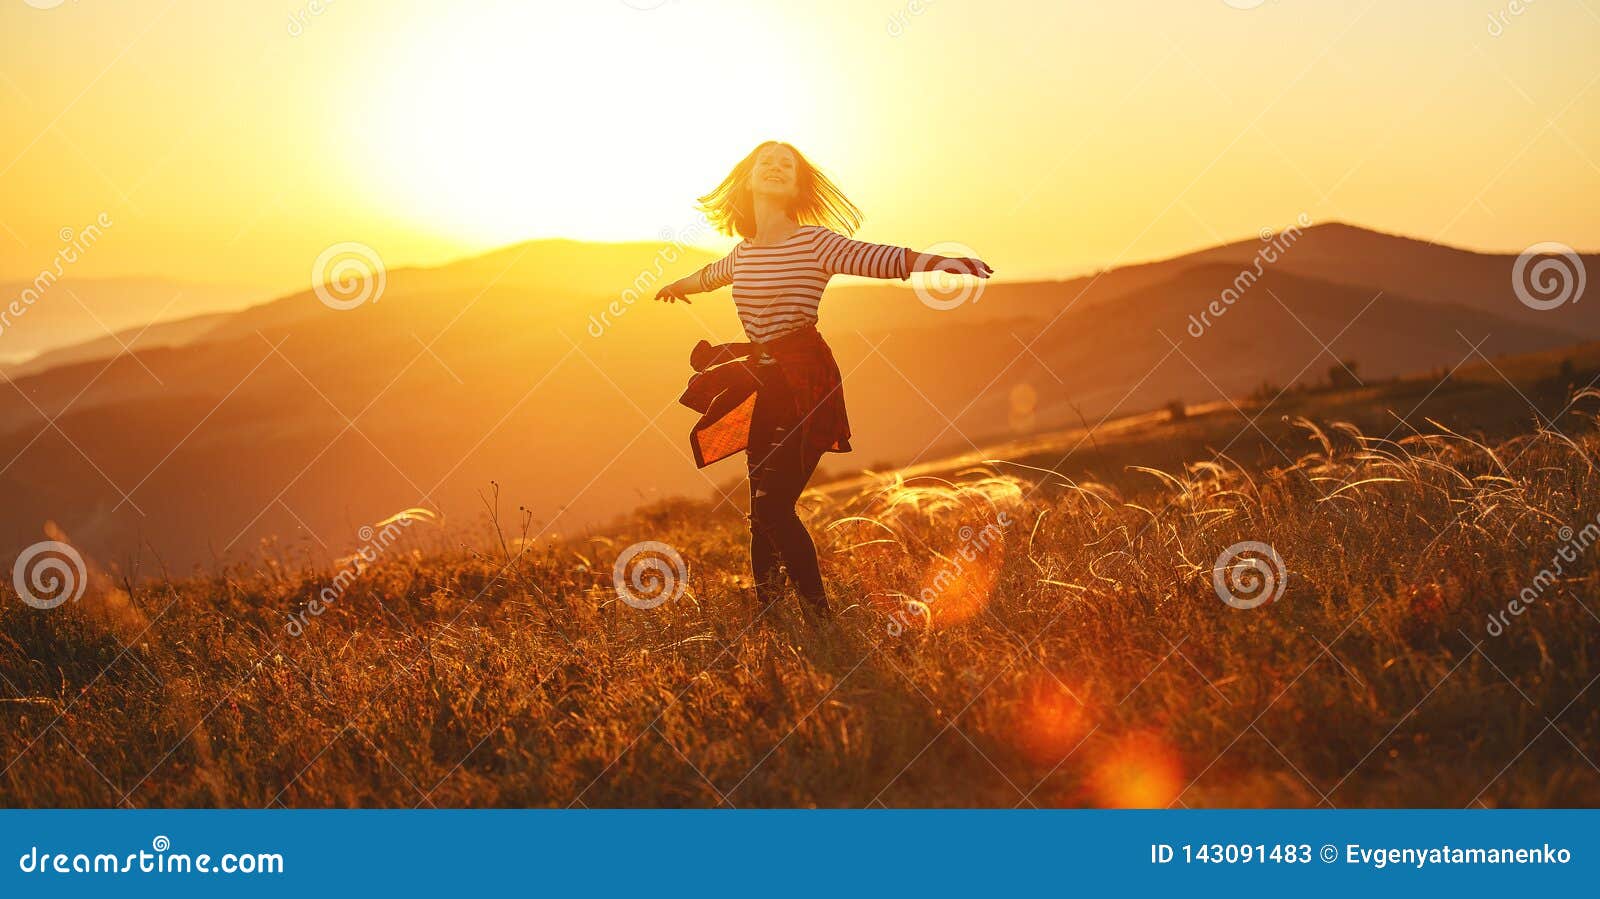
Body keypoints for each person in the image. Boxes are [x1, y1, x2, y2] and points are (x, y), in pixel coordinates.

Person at [655, 141, 992, 619]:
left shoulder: (815, 243)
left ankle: (821, 621)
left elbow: (878, 257)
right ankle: (773, 619)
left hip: (804, 384)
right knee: (761, 514)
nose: (774, 167)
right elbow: (710, 275)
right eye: (764, 162)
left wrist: (940, 263)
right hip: (762, 385)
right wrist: (675, 287)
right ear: (748, 179)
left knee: (774, 509)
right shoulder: (743, 253)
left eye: (785, 165)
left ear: (796, 185)